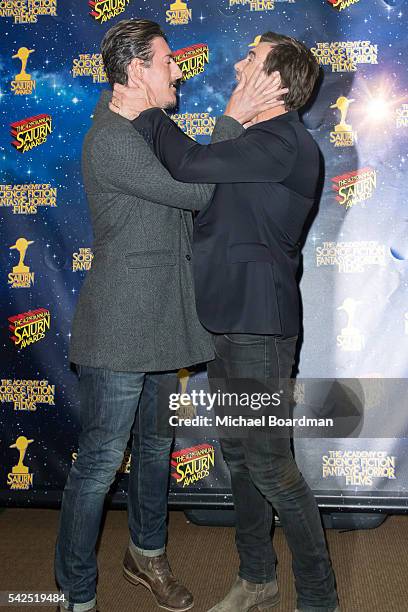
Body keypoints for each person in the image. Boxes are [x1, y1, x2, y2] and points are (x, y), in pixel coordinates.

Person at [55, 19, 285, 612]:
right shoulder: (111, 137)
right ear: (137, 71)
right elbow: (198, 190)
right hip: (120, 327)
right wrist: (233, 115)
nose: (177, 70)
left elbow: (194, 180)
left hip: (164, 321)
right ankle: (75, 592)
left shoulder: (152, 127)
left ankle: (146, 556)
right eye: (166, 61)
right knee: (101, 462)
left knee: (157, 449)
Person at [109, 33, 340, 612]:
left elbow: (189, 162)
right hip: (228, 324)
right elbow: (202, 189)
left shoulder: (283, 143)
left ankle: (319, 597)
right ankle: (257, 579)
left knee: (269, 464)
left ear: (278, 84)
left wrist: (143, 103)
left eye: (252, 60)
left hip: (258, 327)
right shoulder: (260, 141)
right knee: (239, 457)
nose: (237, 63)